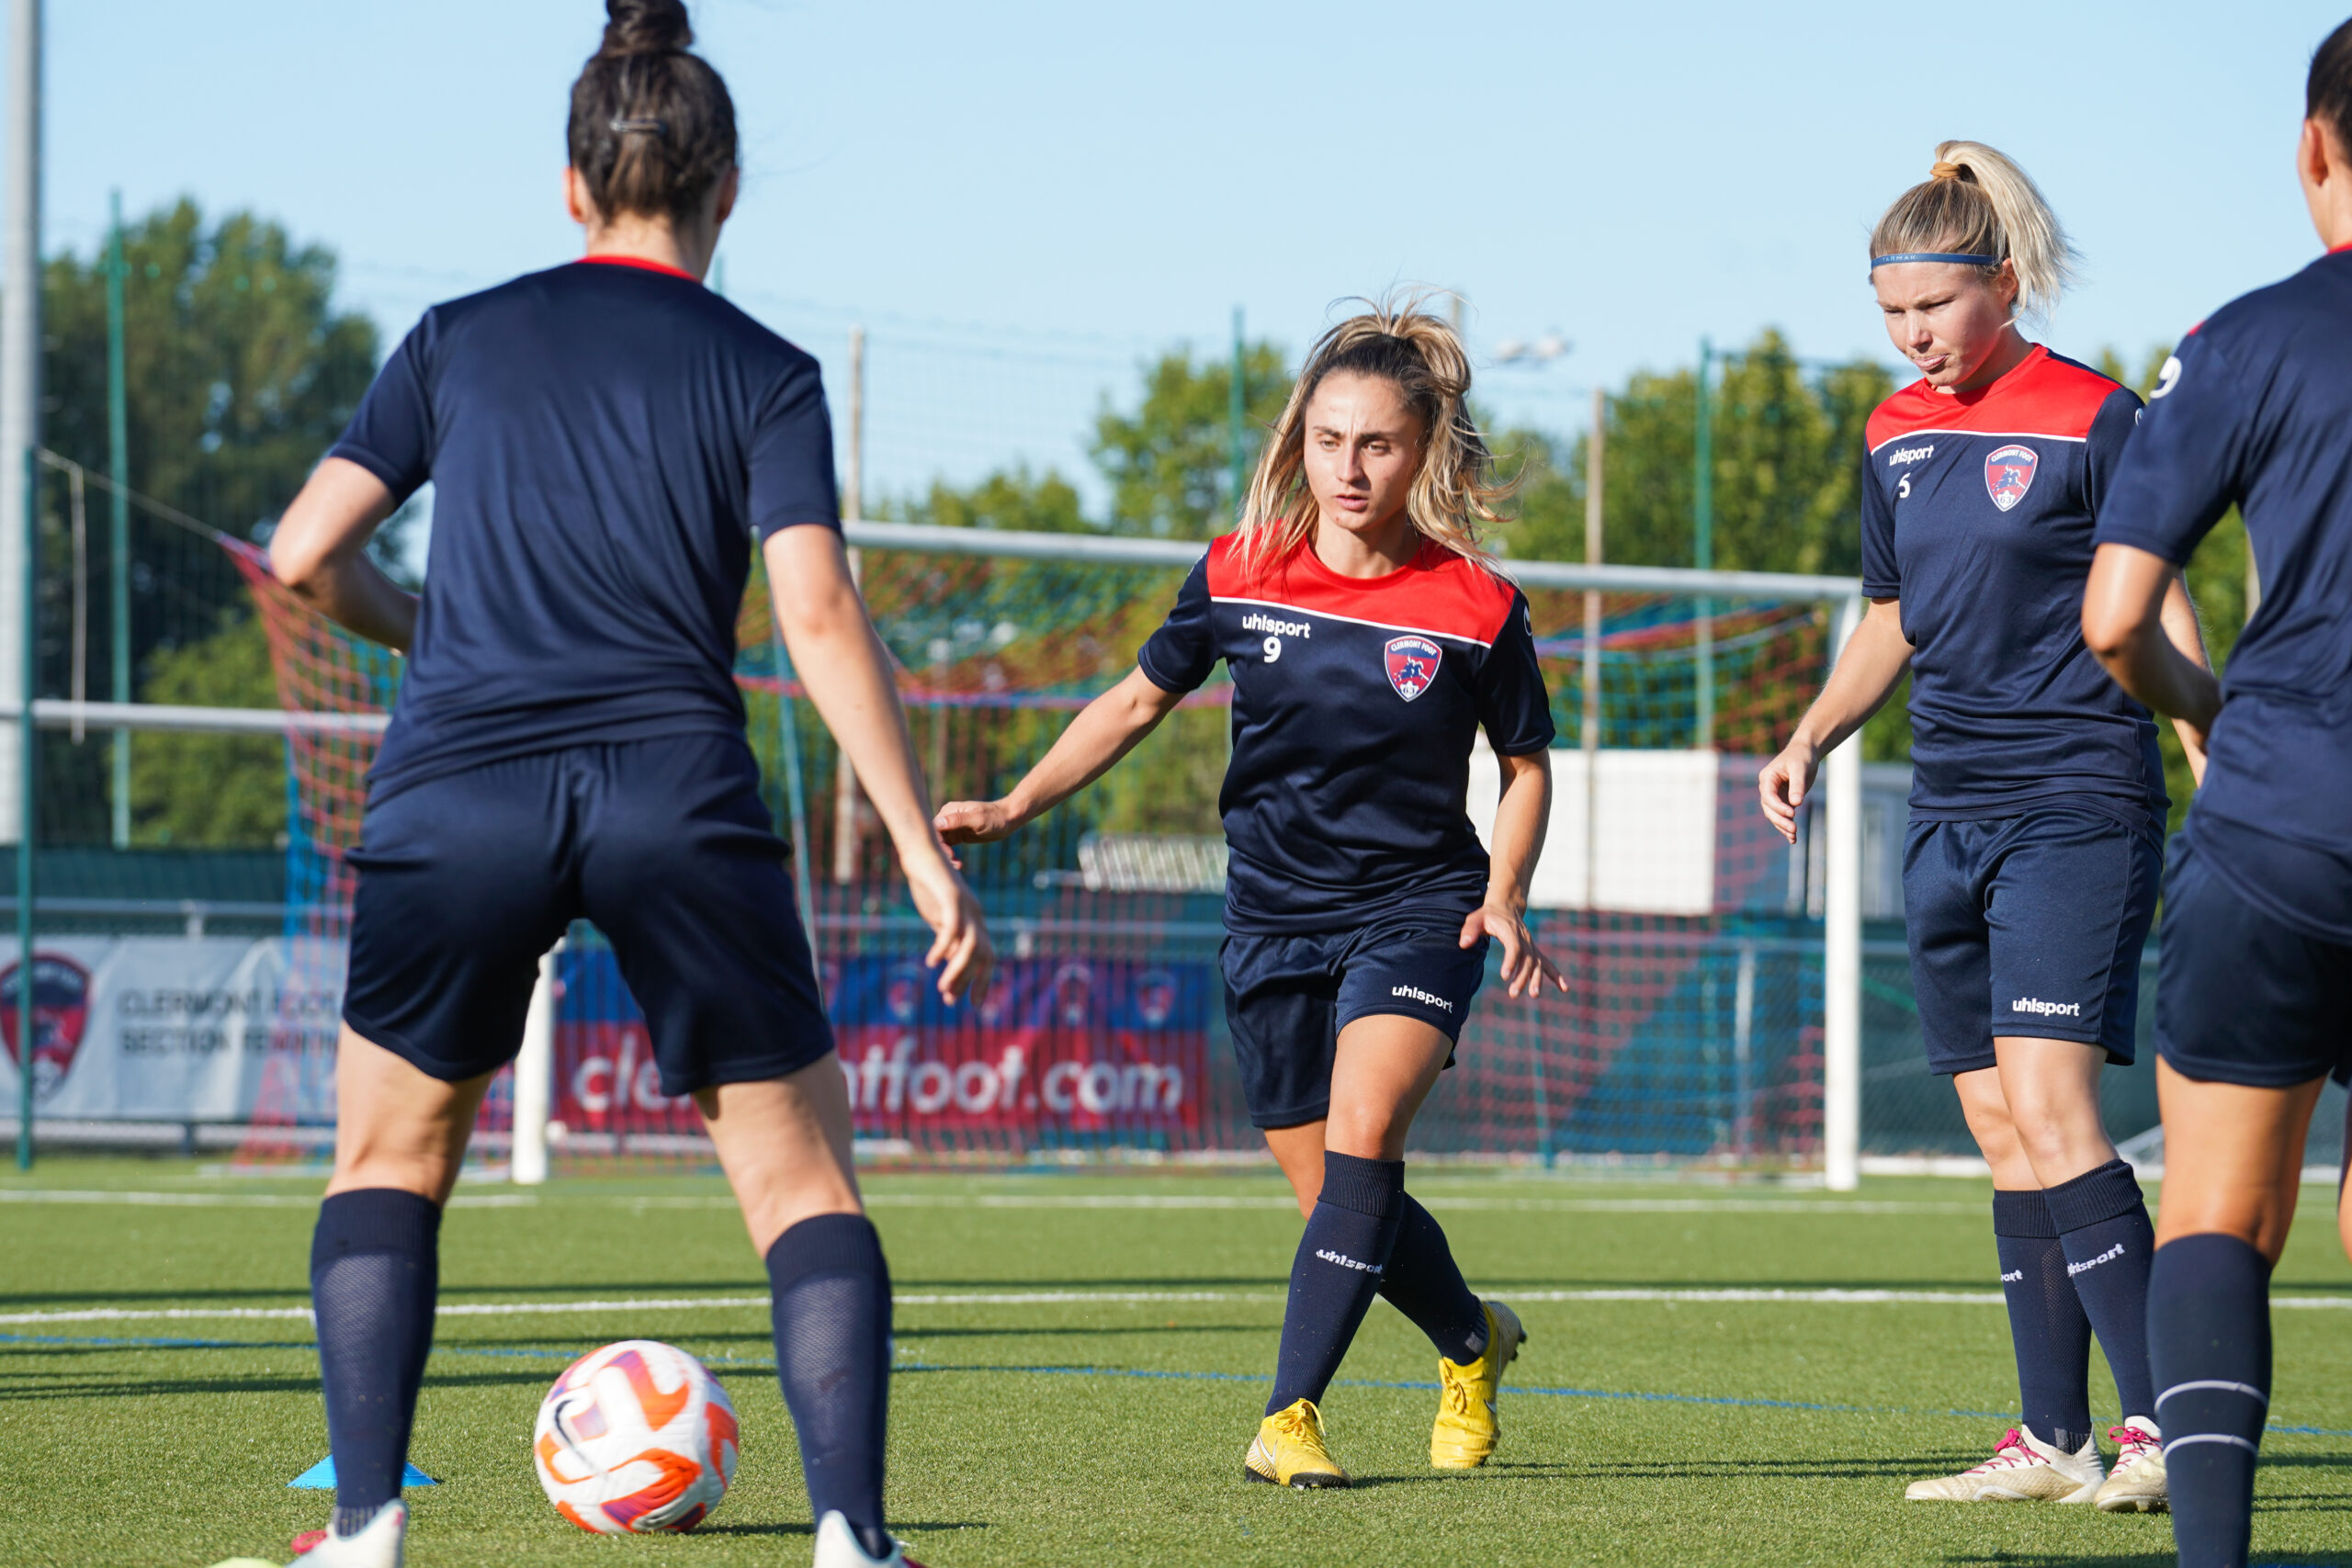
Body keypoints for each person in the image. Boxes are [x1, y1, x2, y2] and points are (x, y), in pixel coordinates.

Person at [266, 5, 989, 1565]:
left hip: (459, 781)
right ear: (727, 194)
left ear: (571, 184)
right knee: (798, 1177)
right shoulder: (767, 372)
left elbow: (307, 553)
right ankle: (854, 1540)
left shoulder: (458, 335)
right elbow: (813, 615)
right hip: (678, 786)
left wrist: (429, 630)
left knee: (390, 1159)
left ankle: (368, 1532)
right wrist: (924, 849)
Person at [935, 299, 1565, 1488]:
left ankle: (1289, 1418)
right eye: (1330, 440)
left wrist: (1512, 892)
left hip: (1422, 907)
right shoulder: (1240, 571)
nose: (1351, 467)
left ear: (1426, 448)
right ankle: (1472, 1340)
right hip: (1272, 917)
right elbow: (1132, 701)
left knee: (1366, 1131)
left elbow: (1526, 765)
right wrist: (1017, 804)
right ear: (1298, 442)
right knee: (1338, 1187)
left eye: (1378, 443)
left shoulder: (1477, 605)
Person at [1758, 141, 2213, 1512]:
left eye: (1935, 310)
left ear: (2001, 285)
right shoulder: (1892, 431)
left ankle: (2164, 1433)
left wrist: (2207, 740)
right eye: (1892, 313)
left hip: (2075, 797)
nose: (1913, 336)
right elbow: (1891, 614)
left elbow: (2157, 589)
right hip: (1946, 806)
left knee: (2057, 1108)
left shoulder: (2094, 414)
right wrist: (1810, 732)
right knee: (2002, 1131)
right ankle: (2050, 1436)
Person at [2079, 22, 2352, 1566]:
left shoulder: (2246, 339)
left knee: (2218, 1216)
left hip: (2282, 825)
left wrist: (2207, 708)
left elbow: (2117, 611)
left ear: (2313, 146)